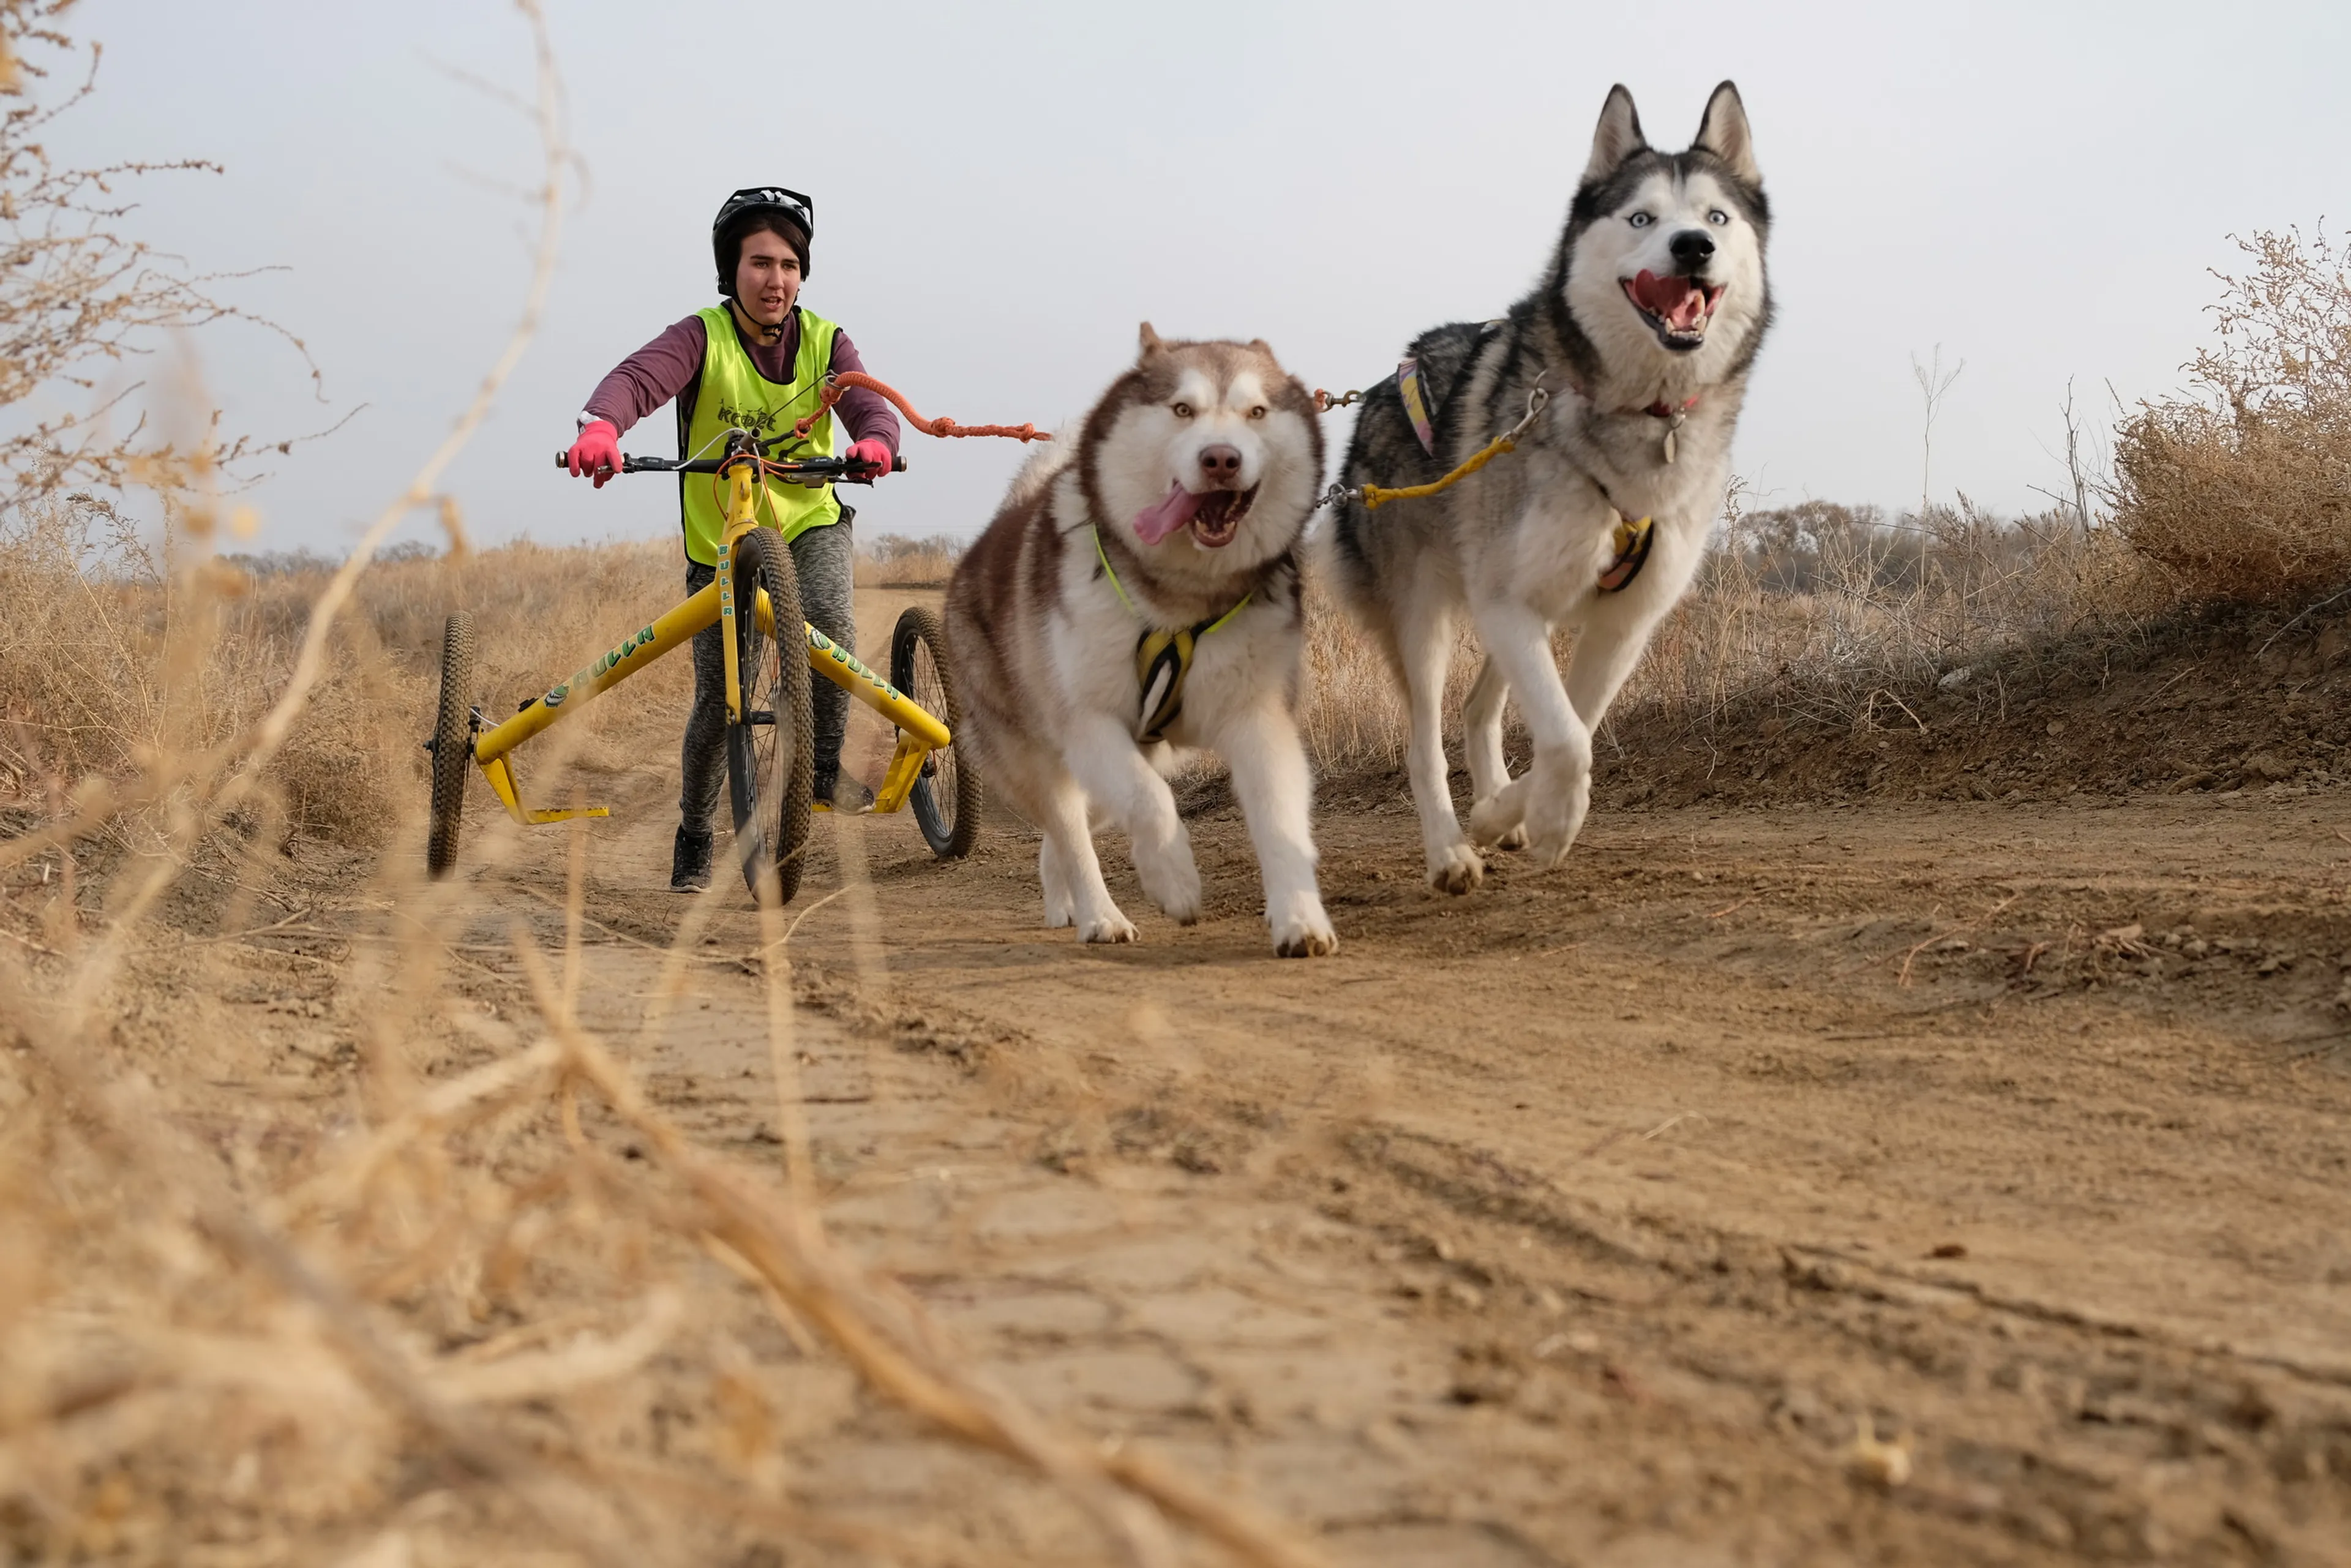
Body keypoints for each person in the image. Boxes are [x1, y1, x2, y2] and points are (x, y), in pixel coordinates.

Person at [563, 186, 901, 891]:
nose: (775, 279)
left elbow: (870, 398)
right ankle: (693, 831)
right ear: (732, 269)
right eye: (759, 263)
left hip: (807, 517)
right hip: (722, 536)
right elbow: (638, 379)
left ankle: (820, 767)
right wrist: (602, 426)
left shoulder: (826, 340)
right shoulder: (702, 336)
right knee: (720, 701)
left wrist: (875, 438)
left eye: (788, 264)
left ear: (802, 274)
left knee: (831, 624)